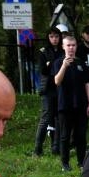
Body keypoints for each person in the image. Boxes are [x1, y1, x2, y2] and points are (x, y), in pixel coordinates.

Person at [54, 33, 89, 171]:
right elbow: (57, 81)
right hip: (65, 105)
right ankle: (65, 164)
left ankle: (82, 162)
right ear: (63, 47)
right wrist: (64, 66)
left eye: (73, 45)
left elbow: (87, 84)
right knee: (65, 136)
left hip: (81, 105)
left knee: (81, 135)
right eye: (68, 45)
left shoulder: (81, 63)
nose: (71, 48)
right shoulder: (58, 62)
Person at [33, 25, 64, 156]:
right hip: (48, 89)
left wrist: (50, 64)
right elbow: (43, 71)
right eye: (51, 36)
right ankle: (37, 149)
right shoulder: (43, 51)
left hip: (61, 88)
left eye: (56, 36)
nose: (54, 39)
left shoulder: (63, 51)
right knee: (46, 118)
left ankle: (56, 147)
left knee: (58, 117)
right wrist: (51, 64)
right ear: (48, 38)